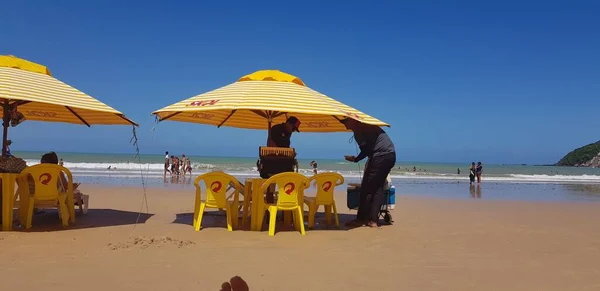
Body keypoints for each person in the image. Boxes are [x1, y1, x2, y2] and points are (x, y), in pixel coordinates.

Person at [341, 118, 396, 228]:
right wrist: (357, 159)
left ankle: (360, 219)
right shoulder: (368, 126)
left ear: (353, 121)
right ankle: (373, 221)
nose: (344, 125)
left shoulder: (359, 130)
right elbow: (369, 148)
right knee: (377, 188)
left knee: (366, 189)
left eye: (345, 121)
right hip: (391, 155)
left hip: (380, 156)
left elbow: (366, 150)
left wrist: (356, 159)